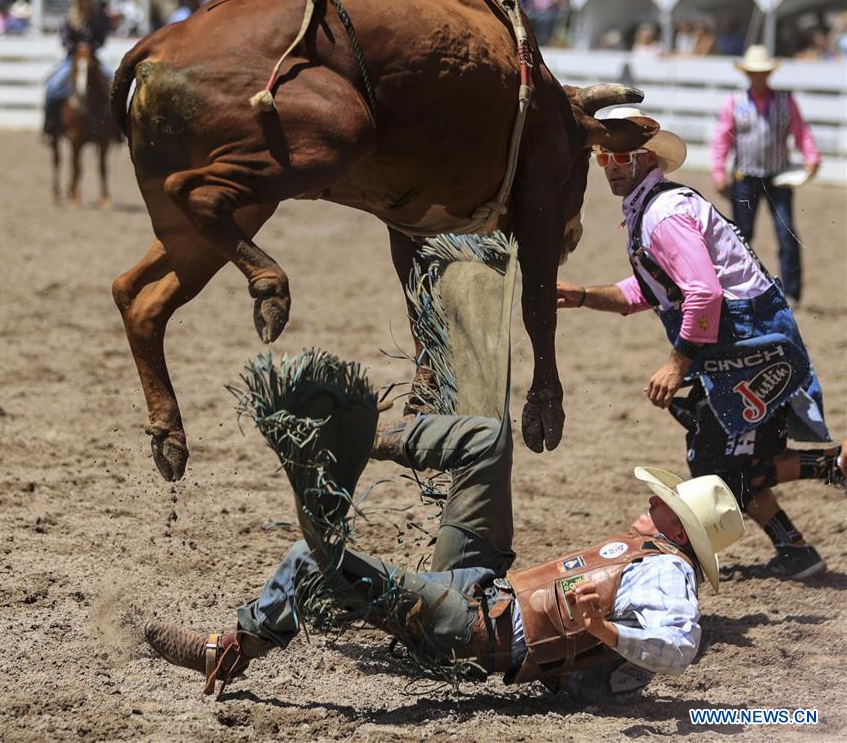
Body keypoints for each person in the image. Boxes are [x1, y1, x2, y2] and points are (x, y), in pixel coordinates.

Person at [144, 352, 746, 704]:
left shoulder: (667, 571)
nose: (651, 498)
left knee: (313, 557)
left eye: (666, 502)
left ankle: (226, 651)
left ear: (682, 533)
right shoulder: (651, 554)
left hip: (471, 630)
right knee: (488, 440)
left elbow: (680, 647)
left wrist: (602, 627)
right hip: (482, 588)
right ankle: (366, 441)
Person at [556, 108, 843, 580]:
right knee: (727, 456)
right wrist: (586, 296)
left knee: (714, 457)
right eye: (603, 157)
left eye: (620, 157)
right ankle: (803, 530)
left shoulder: (662, 214)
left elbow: (704, 293)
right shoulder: (655, 207)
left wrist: (677, 363)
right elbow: (649, 291)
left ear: (649, 159)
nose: (609, 167)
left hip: (747, 343)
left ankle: (823, 486)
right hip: (747, 342)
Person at [710, 44, 820, 303]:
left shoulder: (786, 101)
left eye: (762, 72)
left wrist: (811, 158)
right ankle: (736, 287)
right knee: (740, 235)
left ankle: (791, 292)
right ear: (747, 74)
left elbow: (801, 132)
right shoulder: (734, 102)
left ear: (768, 74)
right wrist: (718, 172)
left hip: (779, 176)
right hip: (745, 176)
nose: (758, 77)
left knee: (786, 233)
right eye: (753, 72)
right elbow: (721, 139)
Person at [43, 0, 114, 140]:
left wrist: (90, 47)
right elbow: (65, 39)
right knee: (52, 87)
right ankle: (51, 127)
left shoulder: (98, 18)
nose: (85, 1)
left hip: (93, 58)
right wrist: (77, 48)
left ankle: (115, 129)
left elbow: (101, 38)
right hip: (72, 59)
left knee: (114, 82)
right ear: (77, 0)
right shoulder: (69, 18)